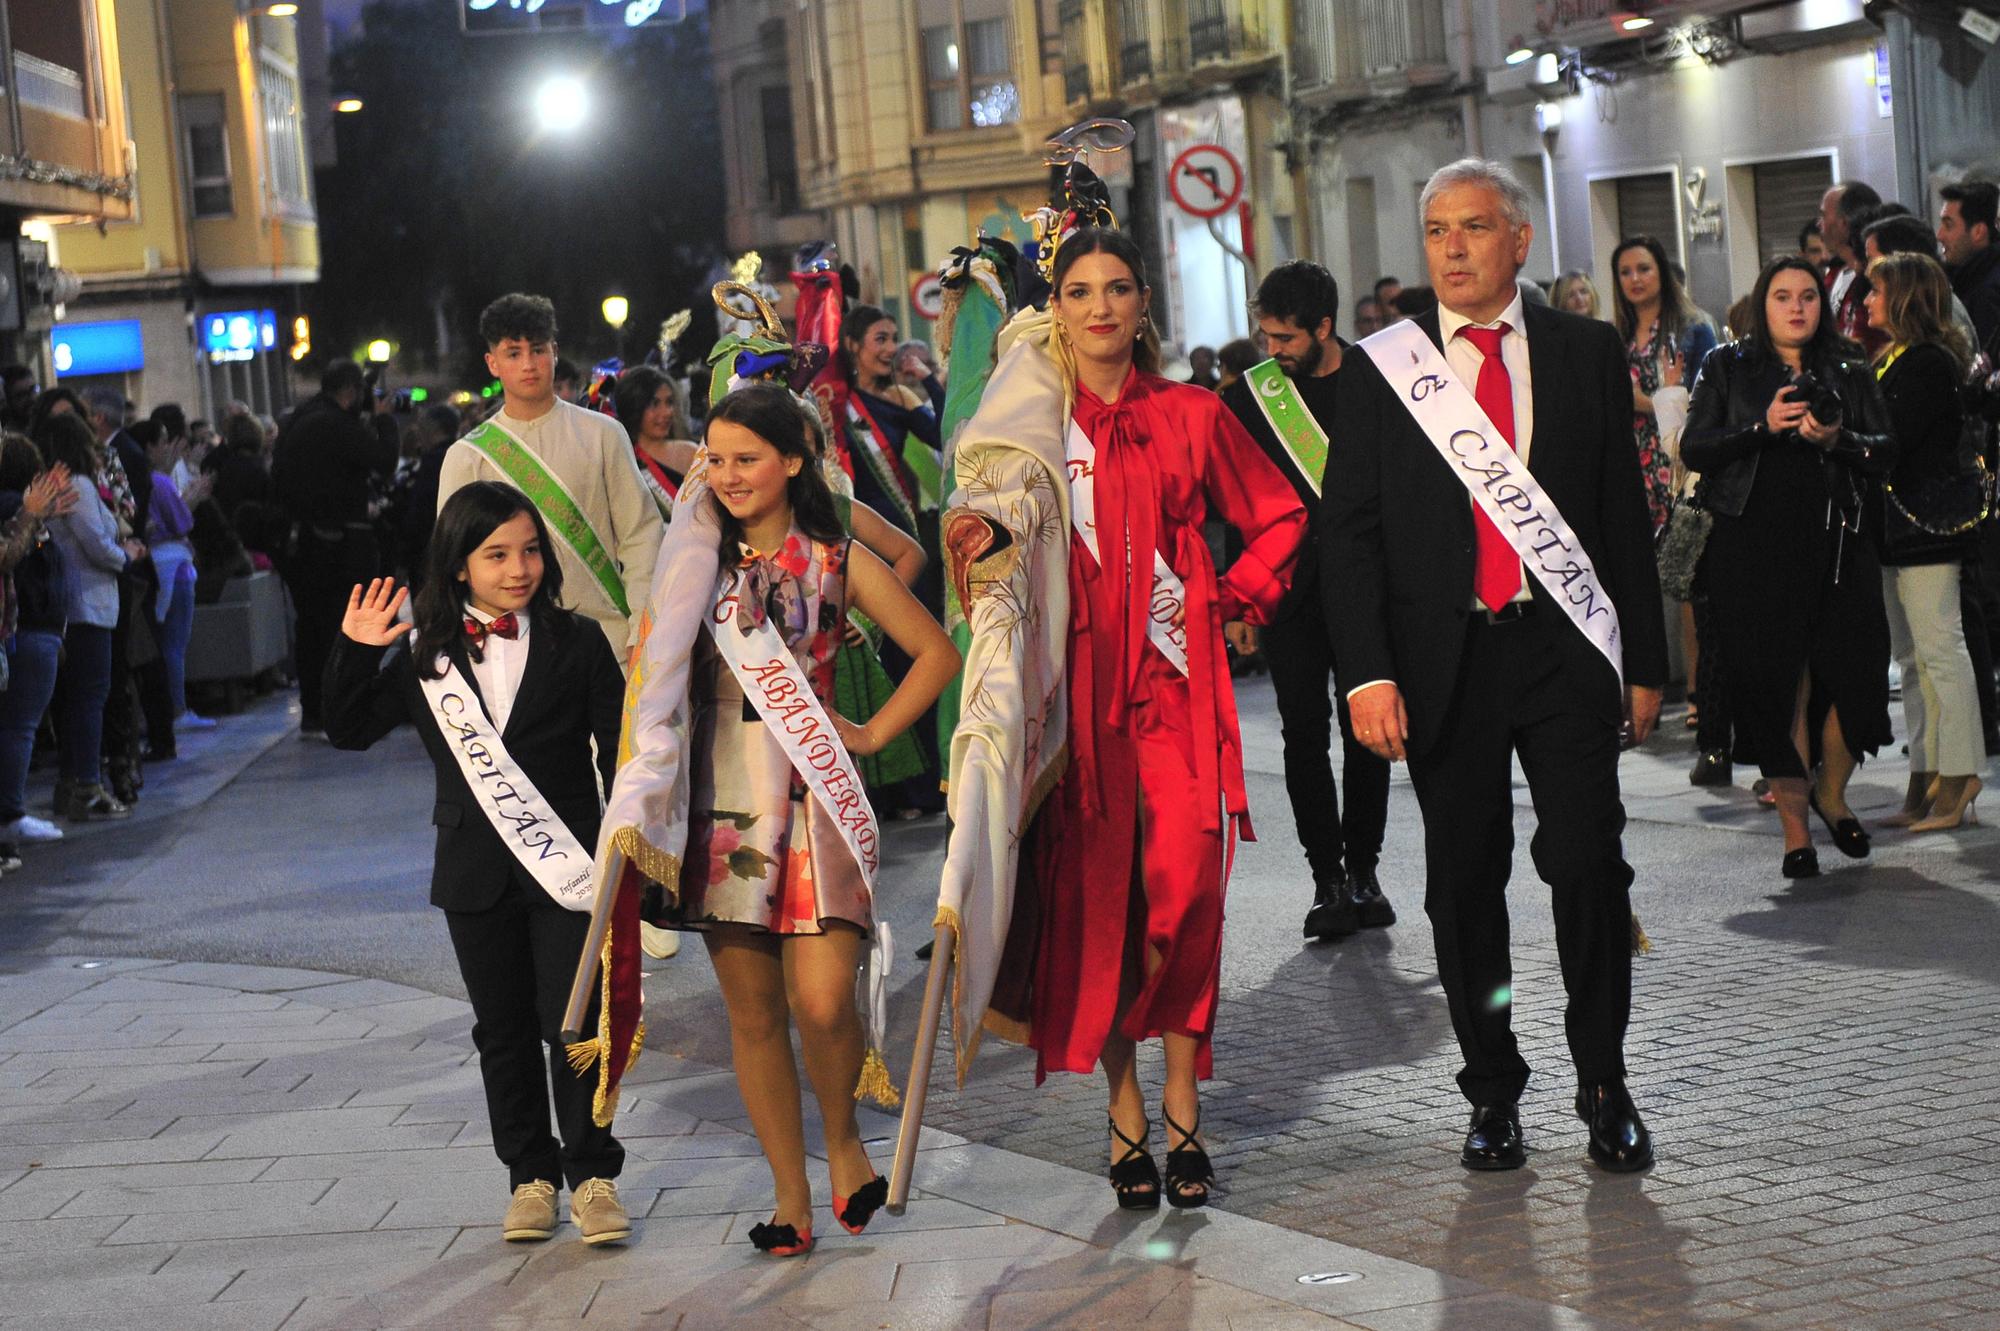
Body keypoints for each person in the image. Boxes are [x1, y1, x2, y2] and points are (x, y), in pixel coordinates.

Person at [1324, 158, 1668, 1174]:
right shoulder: (1384, 366)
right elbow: (1347, 535)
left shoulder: (1582, 349)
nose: (1453, 248)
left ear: (1518, 239)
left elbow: (1617, 515)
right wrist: (1367, 674)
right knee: (1461, 878)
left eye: (1473, 227)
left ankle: (1602, 1080)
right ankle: (1491, 1088)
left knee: (1587, 861)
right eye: (1435, 231)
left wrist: (1641, 657)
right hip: (1443, 661)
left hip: (1559, 649)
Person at [964, 221, 1307, 1211]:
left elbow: (1280, 514)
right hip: (1074, 705)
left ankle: (1183, 1100)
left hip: (1172, 692)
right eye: (1080, 291)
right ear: (1055, 311)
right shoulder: (1033, 425)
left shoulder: (1195, 413)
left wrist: (1232, 596)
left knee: (1183, 896)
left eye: (1118, 288)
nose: (1101, 306)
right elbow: (982, 526)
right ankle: (1124, 1121)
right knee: (1100, 908)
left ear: (1142, 304)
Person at [599, 383, 957, 1255]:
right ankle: (789, 1194)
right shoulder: (697, 565)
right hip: (722, 807)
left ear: (794, 459)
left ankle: (843, 1141)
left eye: (745, 458)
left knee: (826, 999)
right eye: (714, 459)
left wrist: (870, 732)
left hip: (817, 795)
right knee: (753, 1015)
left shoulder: (835, 557)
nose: (726, 476)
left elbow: (937, 653)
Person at [325, 483, 634, 1247]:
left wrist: (632, 858)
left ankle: (593, 1176)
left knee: (575, 1025)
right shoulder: (422, 653)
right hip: (472, 869)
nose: (518, 567)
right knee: (500, 1030)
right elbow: (346, 728)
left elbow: (626, 758)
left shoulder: (580, 641)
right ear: (459, 565)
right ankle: (528, 1176)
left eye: (530, 550)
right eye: (496, 553)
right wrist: (357, 649)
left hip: (566, 865)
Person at [1683, 255, 1896, 878]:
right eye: (1782, 296)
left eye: (1808, 295)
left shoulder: (1850, 365)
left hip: (1838, 545)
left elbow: (1887, 449)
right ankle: (1796, 834)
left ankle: (1832, 791)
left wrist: (1841, 442)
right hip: (1752, 550)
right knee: (1779, 689)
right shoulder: (1727, 365)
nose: (1797, 306)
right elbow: (1696, 445)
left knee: (1856, 677)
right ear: (1762, 303)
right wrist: (1761, 426)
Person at [1219, 260, 1393, 942]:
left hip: (1365, 591)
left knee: (1368, 732)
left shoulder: (1376, 385)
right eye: (1265, 337)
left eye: (1285, 339)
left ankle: (1366, 870)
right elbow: (1233, 505)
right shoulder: (1253, 398)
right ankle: (1326, 876)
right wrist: (1239, 601)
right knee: (1302, 735)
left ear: (1324, 327)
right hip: (1286, 591)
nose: (1273, 352)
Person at [439, 294, 663, 668]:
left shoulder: (603, 434)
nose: (529, 364)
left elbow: (641, 537)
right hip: (509, 656)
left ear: (555, 353)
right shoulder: (467, 456)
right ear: (492, 363)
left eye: (538, 350)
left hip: (610, 644)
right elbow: (453, 562)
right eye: (513, 353)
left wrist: (642, 629)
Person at [1863, 251, 1985, 830]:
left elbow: (1893, 440)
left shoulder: (1929, 363)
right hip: (1900, 525)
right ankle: (1928, 771)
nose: (1865, 302)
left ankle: (1960, 775)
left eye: (1875, 292)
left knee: (1940, 648)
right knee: (1914, 657)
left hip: (1927, 525)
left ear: (1905, 298)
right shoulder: (1898, 358)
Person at [271, 360, 401, 739]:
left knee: (312, 628)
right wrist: (384, 421)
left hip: (303, 544)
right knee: (341, 627)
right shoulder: (334, 424)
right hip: (335, 547)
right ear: (350, 391)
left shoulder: (302, 419)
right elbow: (384, 462)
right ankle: (338, 708)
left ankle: (315, 710)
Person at [34, 413, 140, 820]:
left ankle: (73, 782)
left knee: (78, 699)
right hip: (88, 604)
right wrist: (124, 557)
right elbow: (95, 542)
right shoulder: (76, 485)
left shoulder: (54, 488)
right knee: (90, 697)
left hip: (75, 603)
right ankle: (87, 784)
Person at [0, 436, 78, 858]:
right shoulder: (16, 508)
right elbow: (17, 558)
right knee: (19, 726)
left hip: (27, 627)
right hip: (27, 627)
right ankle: (10, 814)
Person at [1612, 236, 1719, 534]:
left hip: (1677, 457)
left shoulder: (1694, 328)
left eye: (1644, 269)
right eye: (1625, 272)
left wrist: (1644, 402)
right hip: (1630, 460)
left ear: (1661, 272)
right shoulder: (1615, 335)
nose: (1635, 279)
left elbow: (1708, 403)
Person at [140, 419, 206, 746]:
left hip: (153, 563)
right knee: (175, 643)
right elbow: (183, 520)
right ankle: (177, 708)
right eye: (163, 440)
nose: (168, 447)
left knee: (162, 642)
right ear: (150, 447)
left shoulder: (138, 481)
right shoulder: (160, 483)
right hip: (176, 566)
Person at [610, 365, 696, 517]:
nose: (667, 412)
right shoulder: (622, 461)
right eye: (654, 404)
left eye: (669, 402)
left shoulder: (691, 454)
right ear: (634, 408)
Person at [1819, 181, 1890, 357]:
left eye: (1823, 216)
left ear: (1844, 223)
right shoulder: (1832, 276)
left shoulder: (1878, 282)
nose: (1819, 224)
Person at [398, 403, 463, 588]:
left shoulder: (431, 463)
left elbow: (419, 511)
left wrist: (405, 555)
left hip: (428, 553)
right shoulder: (462, 457)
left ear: (433, 428)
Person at [1939, 180, 2000, 350]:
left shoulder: (1987, 293)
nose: (1940, 235)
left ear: (1978, 232)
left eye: (1948, 225)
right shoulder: (1969, 279)